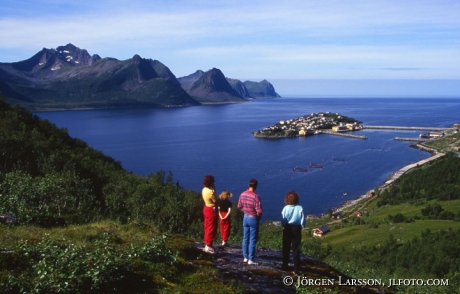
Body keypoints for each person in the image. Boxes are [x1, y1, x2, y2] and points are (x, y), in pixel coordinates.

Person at [237, 179, 263, 265]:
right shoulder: (256, 196)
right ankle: (251, 259)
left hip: (245, 217)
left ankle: (245, 257)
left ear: (249, 185)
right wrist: (257, 217)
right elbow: (259, 211)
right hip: (253, 218)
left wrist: (245, 211)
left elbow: (239, 206)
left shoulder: (242, 194)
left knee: (245, 237)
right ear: (256, 186)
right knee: (252, 239)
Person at [281, 190, 306, 275]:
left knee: (286, 247)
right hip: (296, 228)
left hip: (287, 228)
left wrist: (284, 225)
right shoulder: (300, 208)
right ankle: (296, 268)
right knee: (296, 249)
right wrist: (302, 226)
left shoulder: (285, 208)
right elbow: (302, 220)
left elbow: (283, 221)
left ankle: (285, 265)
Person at [202, 175, 218, 253]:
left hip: (206, 208)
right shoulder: (210, 192)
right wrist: (214, 188)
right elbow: (216, 200)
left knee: (207, 225)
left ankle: (207, 243)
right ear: (211, 182)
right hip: (211, 210)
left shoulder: (204, 190)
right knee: (212, 227)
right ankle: (208, 245)